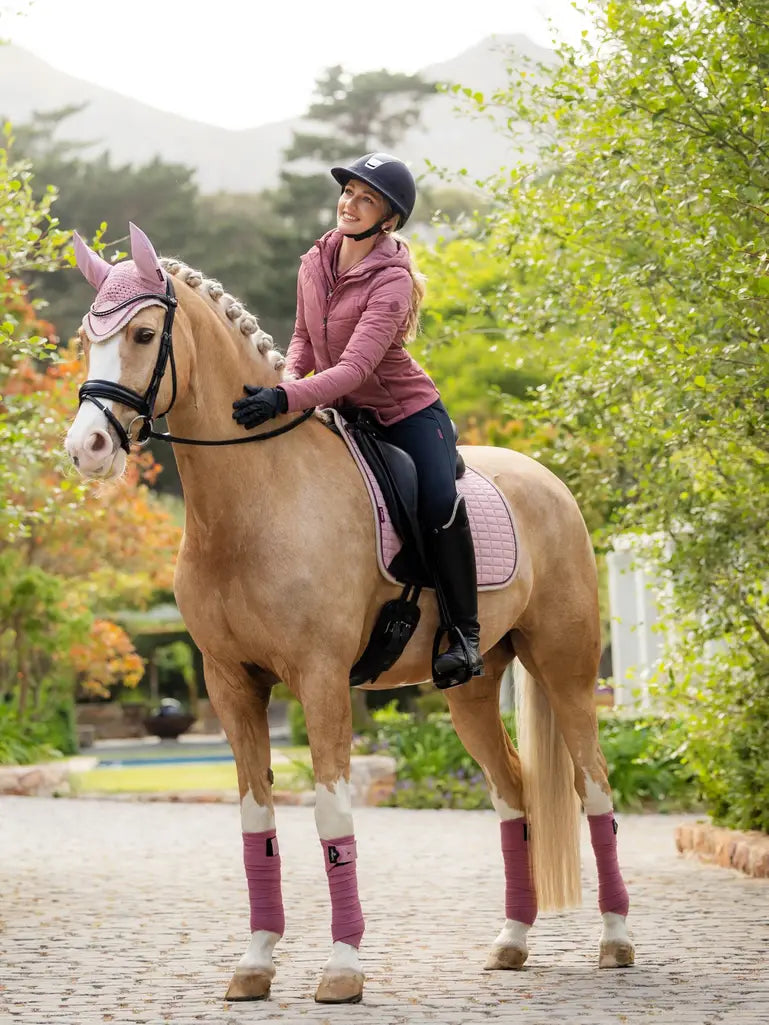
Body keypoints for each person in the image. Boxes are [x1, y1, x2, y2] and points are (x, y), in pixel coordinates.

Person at [232, 152, 482, 686]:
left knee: (437, 500)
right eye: (348, 192)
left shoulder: (392, 280)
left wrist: (288, 399)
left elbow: (354, 368)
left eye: (366, 198)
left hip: (406, 414)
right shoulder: (314, 261)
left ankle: (465, 633)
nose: (350, 203)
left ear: (387, 218)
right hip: (344, 410)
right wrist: (287, 383)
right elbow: (302, 338)